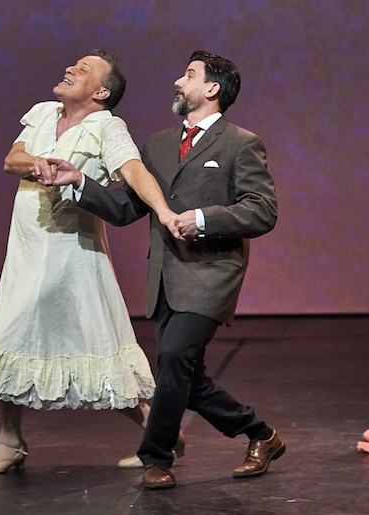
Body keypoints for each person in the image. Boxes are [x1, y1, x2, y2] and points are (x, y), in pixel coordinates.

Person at [39, 50, 282, 489]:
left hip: (211, 273)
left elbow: (262, 211)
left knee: (173, 359)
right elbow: (127, 206)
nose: (177, 81)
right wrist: (79, 182)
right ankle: (260, 435)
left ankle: (155, 456)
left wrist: (204, 219)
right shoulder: (157, 145)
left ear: (212, 89)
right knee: (185, 375)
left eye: (189, 75)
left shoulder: (240, 143)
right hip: (166, 276)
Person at [0, 50, 182, 475]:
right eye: (72, 65)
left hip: (72, 249)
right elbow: (12, 159)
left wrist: (163, 211)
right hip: (28, 246)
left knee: (92, 344)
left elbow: (135, 171)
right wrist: (39, 164)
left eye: (82, 70)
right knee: (14, 333)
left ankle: (156, 430)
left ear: (102, 91)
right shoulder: (44, 114)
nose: (69, 69)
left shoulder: (106, 126)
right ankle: (10, 440)